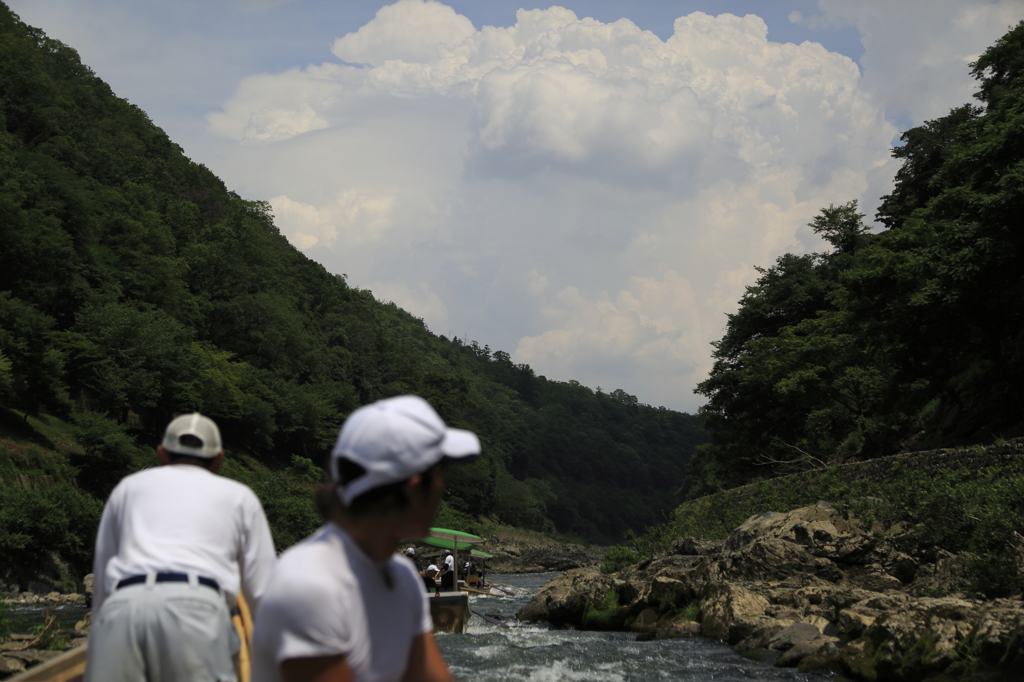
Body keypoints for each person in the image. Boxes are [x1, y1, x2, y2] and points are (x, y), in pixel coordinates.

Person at [251, 395, 481, 682]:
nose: (442, 488)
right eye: (440, 474)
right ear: (413, 487)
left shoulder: (401, 578)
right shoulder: (310, 586)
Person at [85, 413, 277, 682]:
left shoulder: (127, 488)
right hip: (197, 610)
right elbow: (262, 592)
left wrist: (99, 640)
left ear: (162, 454)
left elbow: (102, 578)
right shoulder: (240, 497)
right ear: (219, 459)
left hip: (123, 609)